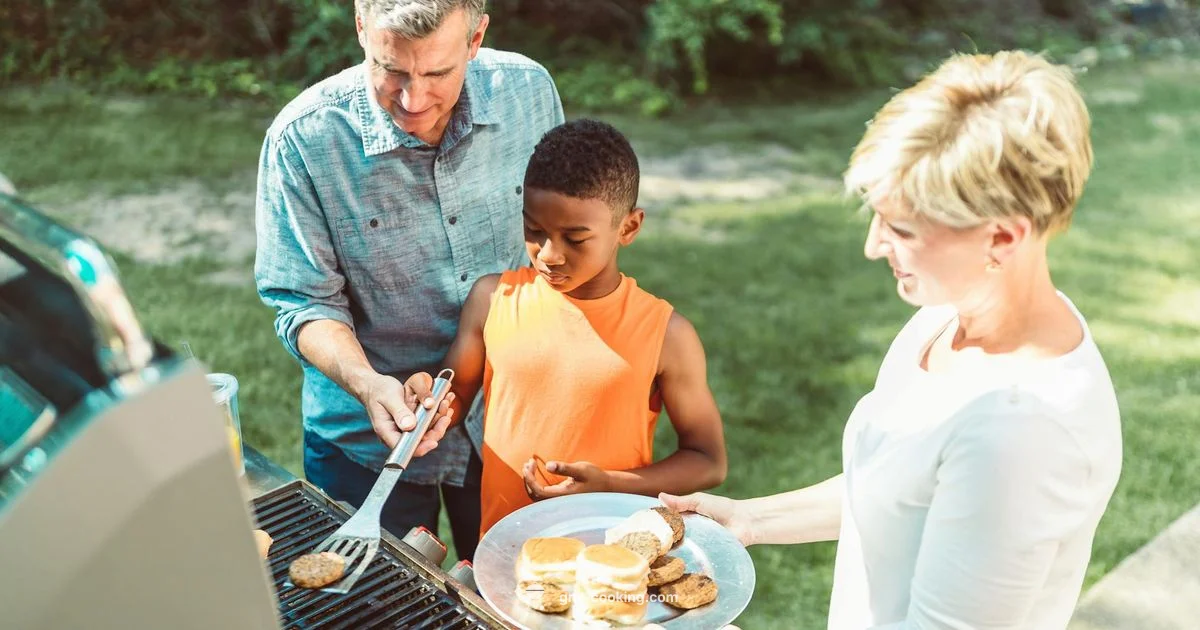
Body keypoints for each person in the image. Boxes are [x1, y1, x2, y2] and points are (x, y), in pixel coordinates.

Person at [662, 51, 1123, 629]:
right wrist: (749, 520)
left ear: (1003, 238)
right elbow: (897, 489)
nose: (874, 246)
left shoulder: (1022, 435)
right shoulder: (943, 318)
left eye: (901, 228)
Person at [254, 0, 564, 562]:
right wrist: (369, 384)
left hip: (507, 421)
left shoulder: (530, 94)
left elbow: (565, 239)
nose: (413, 99)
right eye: (390, 69)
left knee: (516, 595)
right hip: (361, 441)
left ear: (476, 38)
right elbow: (303, 301)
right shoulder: (303, 139)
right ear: (360, 28)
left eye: (438, 73)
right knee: (367, 602)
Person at [407, 119, 728, 535]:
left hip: (611, 549)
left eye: (575, 239)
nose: (549, 254)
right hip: (503, 545)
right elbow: (456, 397)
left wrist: (610, 484)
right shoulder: (492, 300)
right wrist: (426, 404)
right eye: (534, 230)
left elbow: (708, 460)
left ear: (628, 227)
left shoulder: (667, 335)